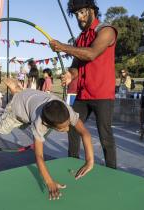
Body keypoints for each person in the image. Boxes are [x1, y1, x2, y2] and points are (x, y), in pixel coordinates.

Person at [0, 78, 94, 200]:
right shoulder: (39, 124)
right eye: (63, 128)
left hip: (30, 98)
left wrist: (90, 160)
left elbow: (85, 133)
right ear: (48, 126)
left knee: (25, 110)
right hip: (17, 110)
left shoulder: (66, 110)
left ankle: (17, 91)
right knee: (1, 129)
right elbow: (39, 156)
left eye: (68, 124)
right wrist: (49, 182)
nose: (68, 128)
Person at [49, 0, 118, 168]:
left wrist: (63, 47)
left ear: (92, 10)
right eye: (76, 14)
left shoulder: (107, 31)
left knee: (105, 135)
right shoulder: (80, 38)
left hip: (102, 94)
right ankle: (72, 162)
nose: (80, 17)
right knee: (72, 125)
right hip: (83, 94)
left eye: (83, 12)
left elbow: (92, 54)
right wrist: (69, 75)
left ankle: (112, 171)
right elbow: (76, 67)